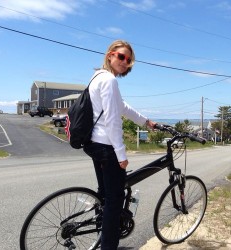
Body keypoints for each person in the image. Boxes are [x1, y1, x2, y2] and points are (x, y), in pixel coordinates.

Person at [83, 40, 156, 249]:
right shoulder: (109, 81)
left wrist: (145, 121)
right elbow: (113, 121)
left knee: (106, 195)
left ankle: (101, 234)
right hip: (106, 147)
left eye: (129, 60)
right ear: (110, 55)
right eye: (121, 56)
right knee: (115, 200)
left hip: (94, 144)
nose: (125, 62)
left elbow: (121, 107)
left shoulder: (98, 76)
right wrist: (121, 154)